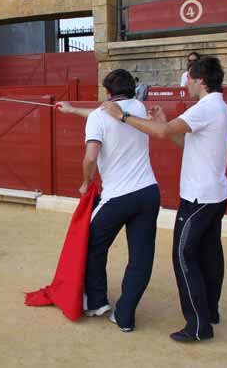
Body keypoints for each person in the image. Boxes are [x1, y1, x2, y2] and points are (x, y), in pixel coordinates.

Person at [101, 56, 227, 343]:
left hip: (198, 197)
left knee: (184, 257)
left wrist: (122, 116)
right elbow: (181, 141)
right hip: (216, 194)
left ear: (200, 80)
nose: (186, 84)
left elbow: (161, 133)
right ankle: (210, 311)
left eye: (189, 78)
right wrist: (162, 123)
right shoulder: (221, 108)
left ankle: (198, 325)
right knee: (210, 254)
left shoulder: (206, 107)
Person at [57, 69, 160, 333]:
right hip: (148, 193)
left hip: (117, 198)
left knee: (91, 246)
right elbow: (100, 115)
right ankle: (125, 316)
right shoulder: (138, 106)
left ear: (107, 92)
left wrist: (85, 182)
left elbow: (91, 156)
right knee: (141, 256)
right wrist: (71, 110)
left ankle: (98, 302)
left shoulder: (99, 117)